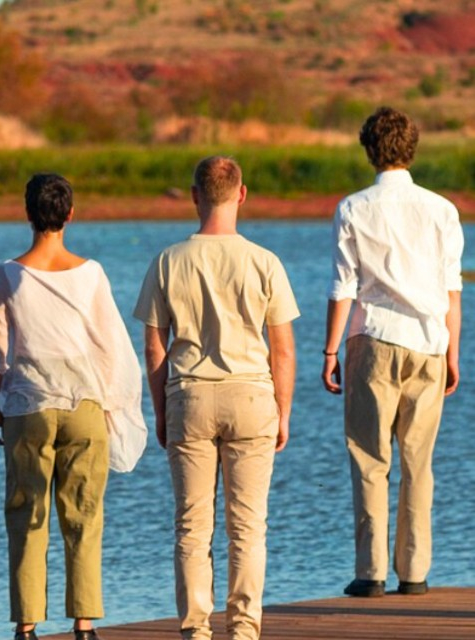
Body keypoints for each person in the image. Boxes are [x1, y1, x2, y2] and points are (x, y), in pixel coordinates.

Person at [134, 157, 298, 640]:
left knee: (192, 525)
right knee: (247, 527)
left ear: (193, 196)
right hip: (251, 397)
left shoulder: (168, 260)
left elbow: (153, 345)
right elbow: (283, 349)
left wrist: (161, 412)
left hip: (190, 395)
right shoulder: (264, 261)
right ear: (241, 194)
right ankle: (244, 629)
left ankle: (196, 630)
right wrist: (283, 412)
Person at [0, 175, 146, 640]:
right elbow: (110, 347)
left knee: (25, 515)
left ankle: (28, 625)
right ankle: (85, 622)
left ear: (27, 212)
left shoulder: (6, 274)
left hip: (27, 407)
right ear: (70, 214)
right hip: (84, 407)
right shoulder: (91, 272)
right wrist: (112, 406)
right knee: (84, 515)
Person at [322, 107, 463, 599]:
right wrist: (453, 354)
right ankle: (416, 574)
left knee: (369, 458)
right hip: (429, 343)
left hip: (373, 340)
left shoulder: (353, 208)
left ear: (369, 151)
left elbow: (343, 288)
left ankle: (371, 573)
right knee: (417, 462)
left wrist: (328, 351)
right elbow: (451, 291)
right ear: (412, 148)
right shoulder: (442, 209)